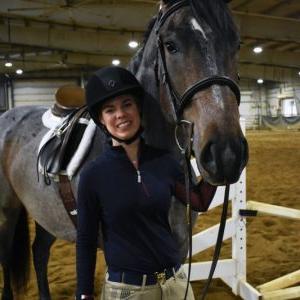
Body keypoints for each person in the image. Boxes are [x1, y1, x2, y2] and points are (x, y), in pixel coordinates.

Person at [76, 66, 217, 300]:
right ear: (101, 119)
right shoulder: (93, 175)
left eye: (127, 104)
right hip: (127, 291)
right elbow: (86, 240)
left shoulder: (164, 161)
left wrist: (217, 169)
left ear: (138, 108)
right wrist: (83, 293)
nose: (120, 114)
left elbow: (199, 201)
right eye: (110, 110)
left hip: (175, 283)